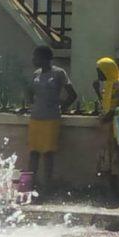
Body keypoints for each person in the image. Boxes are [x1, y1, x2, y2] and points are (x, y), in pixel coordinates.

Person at [26, 46, 77, 190]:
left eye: (36, 57)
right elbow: (29, 92)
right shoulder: (36, 74)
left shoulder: (59, 73)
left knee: (48, 153)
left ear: (45, 58)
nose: (33, 60)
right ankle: (31, 184)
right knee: (33, 152)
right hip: (35, 118)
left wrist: (62, 107)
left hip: (51, 119)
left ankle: (47, 186)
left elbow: (72, 95)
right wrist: (31, 104)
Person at [93, 57, 119, 195]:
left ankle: (115, 190)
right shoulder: (107, 86)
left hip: (117, 125)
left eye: (100, 71)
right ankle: (106, 188)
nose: (98, 74)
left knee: (115, 155)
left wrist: (112, 113)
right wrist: (97, 91)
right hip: (106, 125)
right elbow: (105, 105)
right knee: (105, 156)